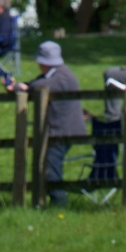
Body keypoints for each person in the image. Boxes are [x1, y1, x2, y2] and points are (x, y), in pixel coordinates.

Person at [15, 40, 82, 205]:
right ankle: (53, 202)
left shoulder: (61, 76)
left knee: (50, 169)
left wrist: (25, 87)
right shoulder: (54, 73)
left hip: (63, 130)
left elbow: (39, 86)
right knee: (48, 165)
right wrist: (18, 87)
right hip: (60, 129)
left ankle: (60, 203)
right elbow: (33, 84)